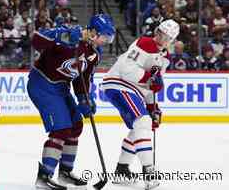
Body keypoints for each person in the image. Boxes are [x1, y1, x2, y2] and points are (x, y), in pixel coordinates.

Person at [28, 14, 115, 189]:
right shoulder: (68, 36)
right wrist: (62, 36)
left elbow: (83, 78)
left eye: (109, 38)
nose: (106, 41)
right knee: (61, 129)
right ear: (92, 32)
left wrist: (85, 98)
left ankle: (65, 172)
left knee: (75, 125)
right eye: (104, 37)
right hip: (42, 84)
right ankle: (44, 176)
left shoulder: (94, 54)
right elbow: (36, 39)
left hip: (61, 87)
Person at [101, 19, 180, 190]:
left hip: (134, 89)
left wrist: (153, 107)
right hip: (119, 82)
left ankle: (122, 170)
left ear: (171, 40)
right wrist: (150, 79)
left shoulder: (164, 58)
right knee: (142, 122)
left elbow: (152, 79)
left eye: (165, 35)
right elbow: (127, 70)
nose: (160, 36)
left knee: (140, 126)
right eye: (159, 31)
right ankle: (149, 171)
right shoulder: (144, 43)